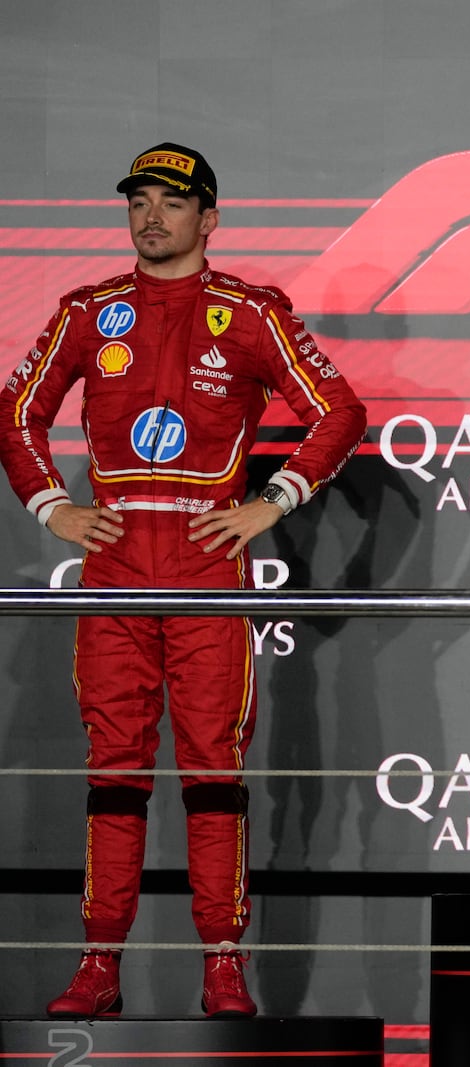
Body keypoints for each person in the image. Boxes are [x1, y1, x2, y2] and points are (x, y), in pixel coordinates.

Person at [0, 143, 368, 1018]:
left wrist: (273, 500)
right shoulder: (91, 311)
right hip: (115, 576)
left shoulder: (249, 312)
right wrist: (53, 507)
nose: (150, 216)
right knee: (113, 772)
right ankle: (97, 964)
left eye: (172, 201)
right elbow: (16, 414)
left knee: (213, 771)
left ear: (209, 217)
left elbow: (340, 409)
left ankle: (223, 965)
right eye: (139, 201)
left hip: (209, 575)